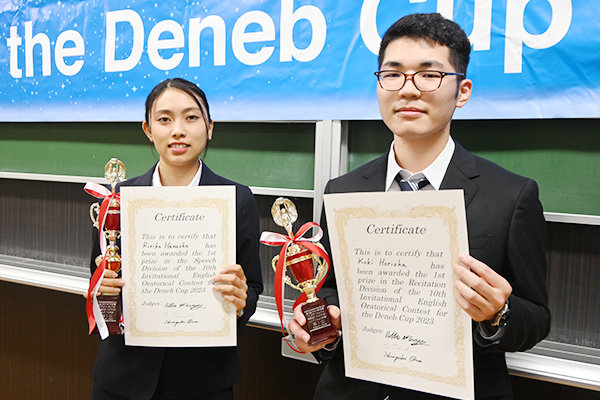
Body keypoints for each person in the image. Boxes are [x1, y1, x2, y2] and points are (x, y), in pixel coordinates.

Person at [288, 13, 550, 400]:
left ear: (462, 91)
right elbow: (327, 290)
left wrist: (499, 314)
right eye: (392, 74)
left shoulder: (511, 196)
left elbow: (538, 319)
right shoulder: (343, 191)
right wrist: (319, 324)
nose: (407, 90)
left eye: (429, 75)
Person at [89, 78, 263, 400]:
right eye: (165, 119)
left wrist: (241, 301)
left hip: (202, 381)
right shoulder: (117, 200)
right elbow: (98, 277)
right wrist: (104, 288)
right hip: (122, 378)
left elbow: (252, 288)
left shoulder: (238, 200)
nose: (178, 130)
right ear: (148, 129)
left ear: (209, 127)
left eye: (191, 117)